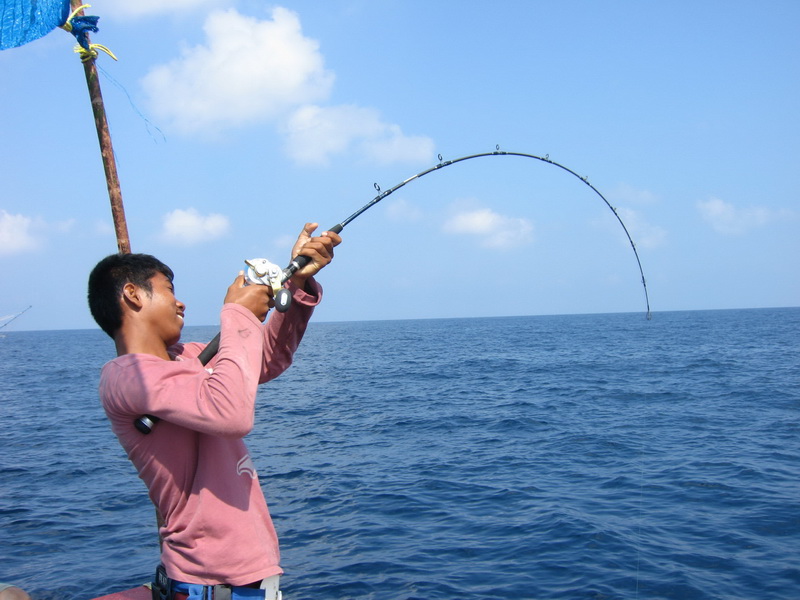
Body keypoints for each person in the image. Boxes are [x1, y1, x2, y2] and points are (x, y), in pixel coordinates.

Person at [87, 223, 341, 600]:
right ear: (132, 294)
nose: (181, 302)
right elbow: (231, 413)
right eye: (169, 291)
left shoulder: (188, 357)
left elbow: (266, 359)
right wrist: (238, 313)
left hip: (250, 579)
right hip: (210, 583)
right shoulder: (127, 377)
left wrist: (296, 285)